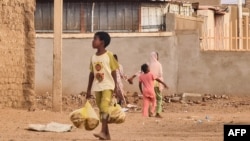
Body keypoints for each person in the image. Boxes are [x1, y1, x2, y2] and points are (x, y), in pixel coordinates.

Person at [86, 31, 119, 140]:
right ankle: (106, 134)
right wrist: (88, 90)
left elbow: (114, 71)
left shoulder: (109, 55)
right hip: (97, 87)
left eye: (95, 39)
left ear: (102, 42)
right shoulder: (93, 57)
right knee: (102, 110)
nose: (92, 41)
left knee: (105, 107)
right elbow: (91, 74)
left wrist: (116, 87)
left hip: (108, 86)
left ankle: (102, 131)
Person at [128, 51, 166, 118]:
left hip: (148, 85)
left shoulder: (148, 64)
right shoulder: (159, 64)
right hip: (156, 83)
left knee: (148, 100)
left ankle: (149, 113)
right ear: (156, 57)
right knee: (159, 98)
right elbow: (160, 74)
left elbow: (140, 72)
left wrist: (132, 77)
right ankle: (157, 113)